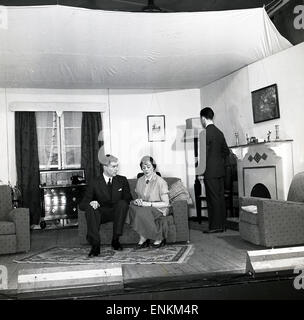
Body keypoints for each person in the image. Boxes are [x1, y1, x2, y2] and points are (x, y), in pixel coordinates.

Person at [79, 154, 132, 257]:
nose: (117, 169)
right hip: (100, 214)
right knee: (90, 208)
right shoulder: (95, 182)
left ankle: (115, 240)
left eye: (117, 166)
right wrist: (92, 202)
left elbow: (128, 198)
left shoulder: (122, 180)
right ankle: (95, 244)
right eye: (114, 166)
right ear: (105, 167)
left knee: (122, 203)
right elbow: (82, 204)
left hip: (116, 213)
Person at [127, 156, 170, 249]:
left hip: (158, 208)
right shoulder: (140, 180)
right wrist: (138, 201)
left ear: (153, 167)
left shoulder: (160, 181)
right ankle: (144, 237)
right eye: (143, 168)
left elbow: (166, 203)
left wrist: (149, 204)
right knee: (131, 206)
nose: (146, 170)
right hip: (145, 207)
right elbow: (140, 197)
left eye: (148, 167)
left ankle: (144, 238)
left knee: (140, 212)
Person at [199, 107, 230, 233]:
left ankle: (215, 226)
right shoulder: (219, 132)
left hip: (210, 171)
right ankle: (222, 225)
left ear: (203, 118)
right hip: (220, 171)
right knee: (220, 197)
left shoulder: (204, 133)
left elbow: (203, 155)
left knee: (212, 198)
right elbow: (226, 151)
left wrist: (200, 172)